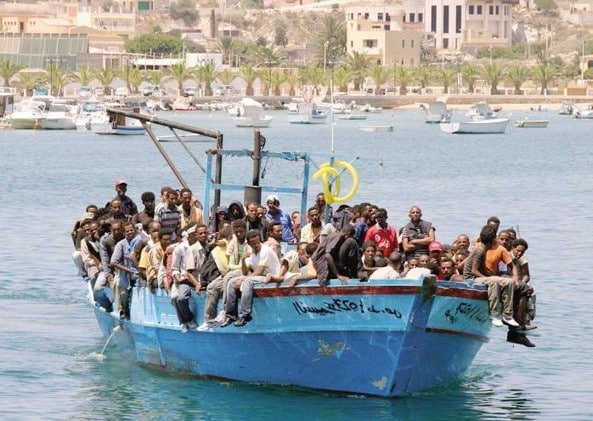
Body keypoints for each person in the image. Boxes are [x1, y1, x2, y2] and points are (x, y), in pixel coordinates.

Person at [221, 230, 281, 327]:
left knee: (248, 281)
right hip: (259, 277)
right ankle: (230, 315)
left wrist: (243, 280)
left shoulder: (265, 251)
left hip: (270, 277)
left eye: (257, 242)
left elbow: (259, 271)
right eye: (253, 243)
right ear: (248, 243)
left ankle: (245, 315)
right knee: (232, 282)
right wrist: (243, 259)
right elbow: (245, 271)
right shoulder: (252, 252)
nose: (256, 245)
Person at [463, 224, 519, 328]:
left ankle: (507, 315)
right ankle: (494, 314)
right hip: (471, 278)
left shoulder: (487, 249)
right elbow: (473, 270)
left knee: (509, 281)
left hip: (480, 277)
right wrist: (489, 278)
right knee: (494, 281)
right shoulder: (480, 250)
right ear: (493, 239)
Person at [170, 223, 204, 332]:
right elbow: (174, 268)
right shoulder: (180, 248)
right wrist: (179, 278)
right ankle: (187, 319)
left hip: (200, 277)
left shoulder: (204, 246)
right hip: (184, 279)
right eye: (195, 234)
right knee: (177, 298)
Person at [110, 221, 140, 319]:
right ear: (124, 233)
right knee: (123, 295)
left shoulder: (140, 241)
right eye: (127, 231)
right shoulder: (121, 244)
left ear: (135, 230)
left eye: (131, 230)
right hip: (126, 275)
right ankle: (125, 312)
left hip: (139, 273)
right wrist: (128, 270)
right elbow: (113, 262)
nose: (130, 232)